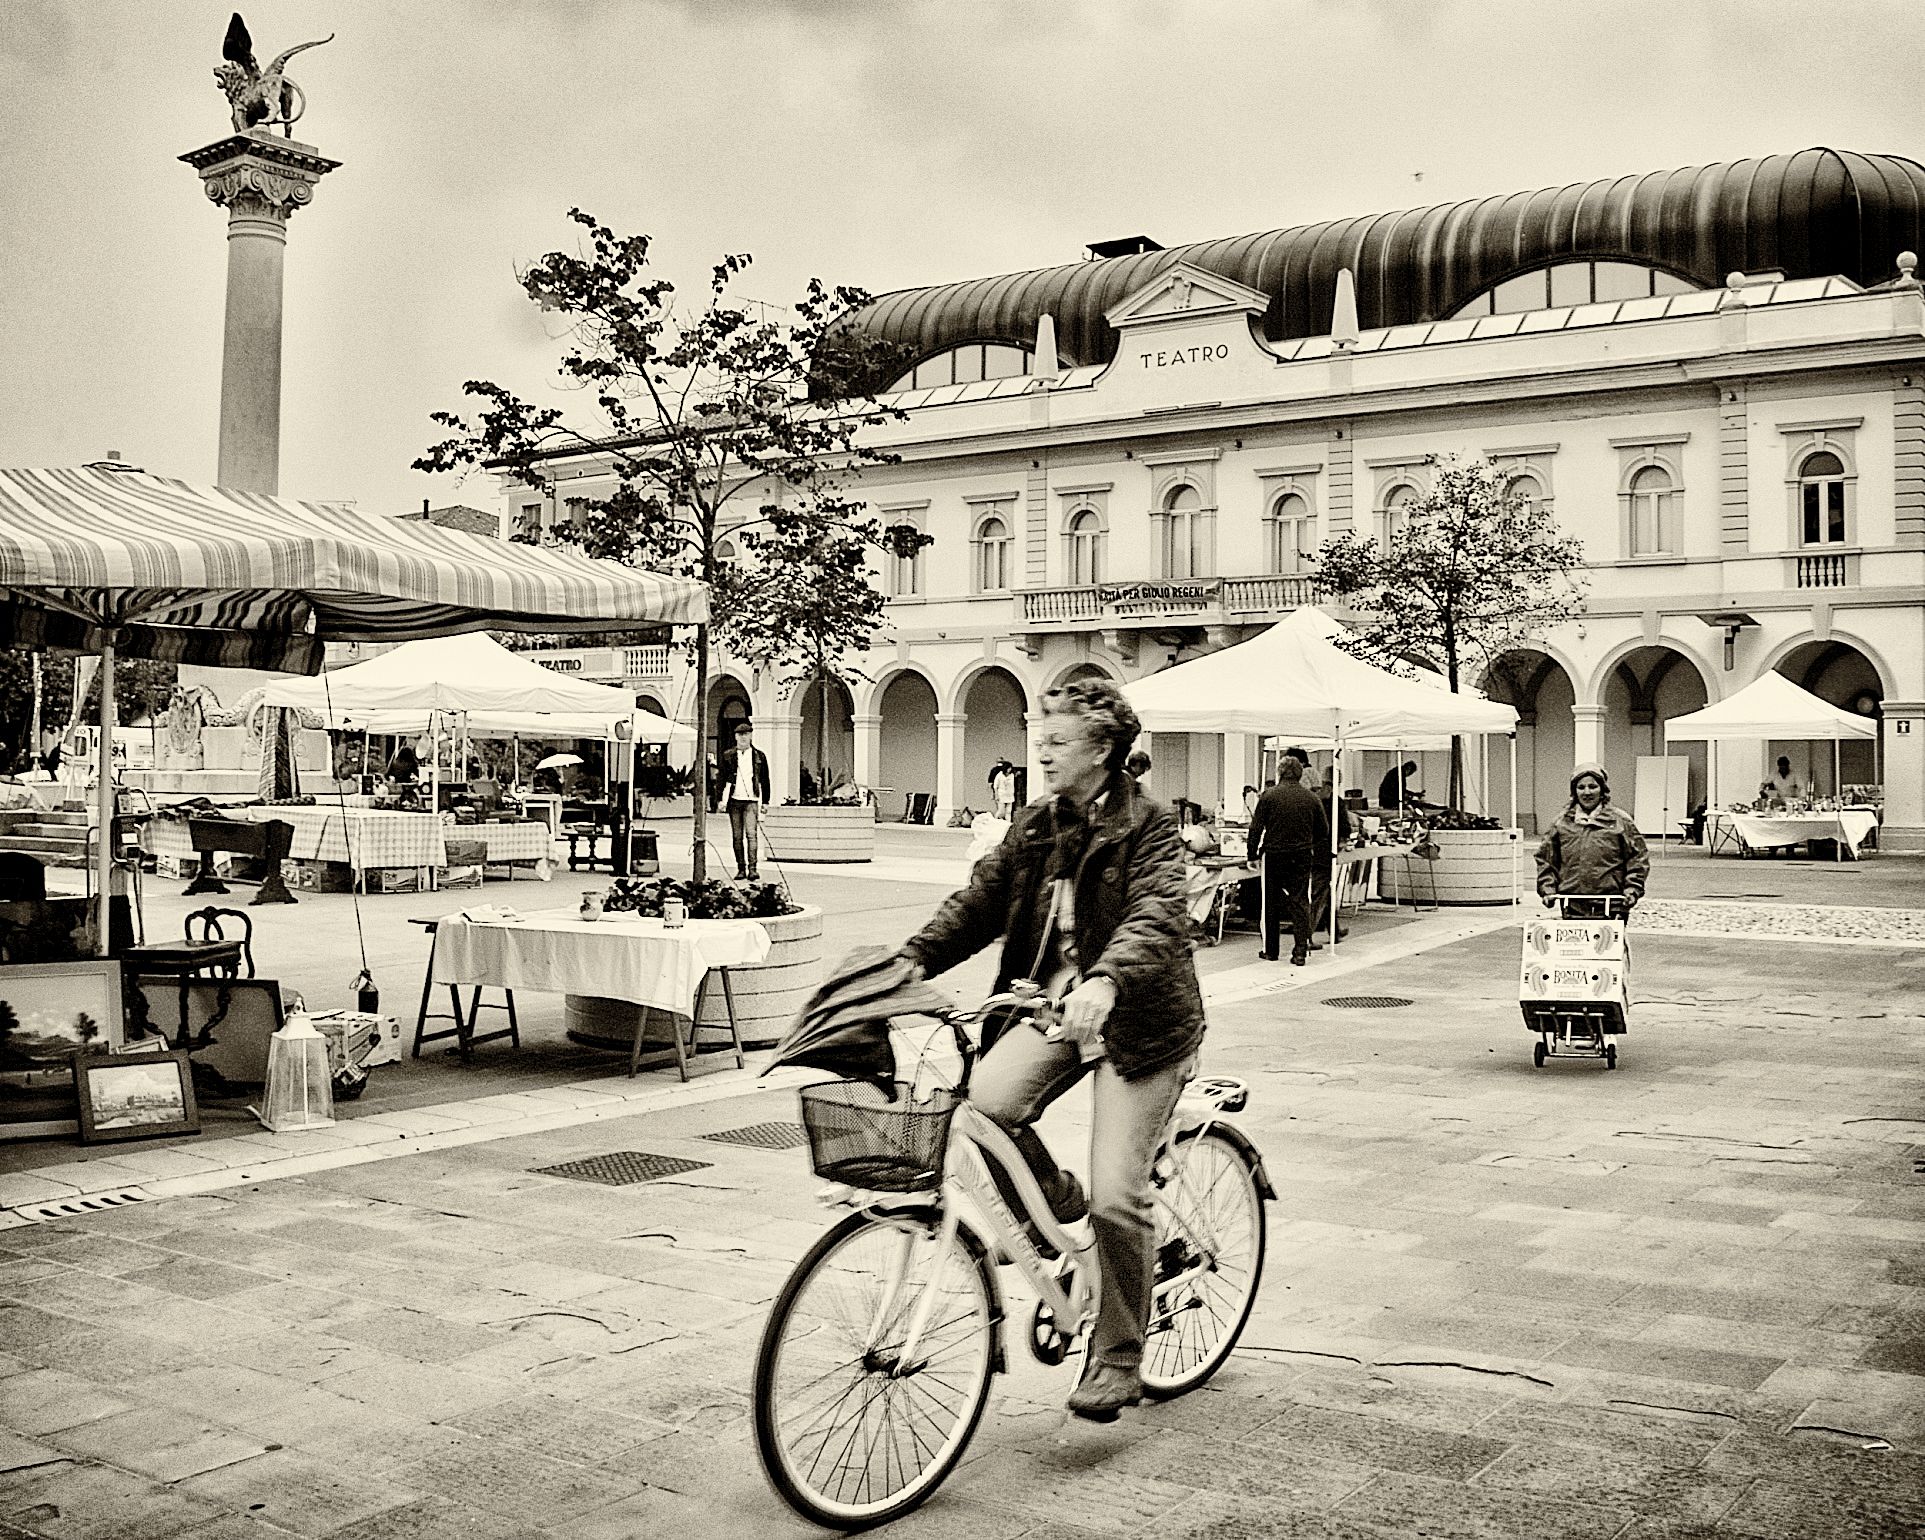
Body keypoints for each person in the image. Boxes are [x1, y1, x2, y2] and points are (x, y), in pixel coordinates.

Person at [895, 676, 1204, 1422]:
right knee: (985, 1109)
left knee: (1116, 1194)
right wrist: (907, 961)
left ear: (1101, 751)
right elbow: (979, 903)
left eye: (1058, 740)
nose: (1042, 750)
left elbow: (1156, 913)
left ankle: (1119, 1353)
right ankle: (1057, 1212)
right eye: (1043, 736)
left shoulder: (1150, 826)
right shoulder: (1038, 824)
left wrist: (1103, 981)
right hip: (1051, 1010)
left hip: (1137, 1022)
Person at [1536, 763, 1649, 914]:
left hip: (1613, 903)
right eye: (1581, 787)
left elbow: (1638, 857)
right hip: (1572, 903)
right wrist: (1547, 889)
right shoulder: (1561, 823)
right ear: (1574, 791)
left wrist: (1632, 889)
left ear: (1602, 789)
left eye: (1593, 786)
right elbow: (1546, 859)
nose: (1587, 792)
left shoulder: (1620, 821)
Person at [1248, 758, 1327, 965]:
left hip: (1274, 854)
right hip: (1301, 854)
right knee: (1300, 901)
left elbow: (1256, 828)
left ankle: (1271, 950)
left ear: (1280, 772)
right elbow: (1323, 830)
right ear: (1300, 774)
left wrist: (1252, 854)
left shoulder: (1269, 796)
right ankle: (1300, 951)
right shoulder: (1311, 798)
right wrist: (1307, 842)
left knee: (1271, 903)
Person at [1284, 747, 1350, 946]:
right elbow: (1343, 829)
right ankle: (1306, 936)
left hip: (1309, 851)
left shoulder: (1309, 801)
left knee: (1322, 893)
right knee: (1319, 894)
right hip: (1321, 853)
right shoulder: (1325, 802)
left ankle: (1333, 931)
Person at [717, 721, 771, 881]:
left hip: (751, 800)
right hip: (734, 800)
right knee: (736, 836)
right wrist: (720, 799)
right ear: (735, 737)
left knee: (751, 835)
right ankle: (741, 867)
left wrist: (765, 801)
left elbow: (765, 780)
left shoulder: (759, 756)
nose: (743, 738)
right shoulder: (729, 755)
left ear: (751, 736)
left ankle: (752, 868)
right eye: (740, 735)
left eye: (746, 734)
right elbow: (722, 778)